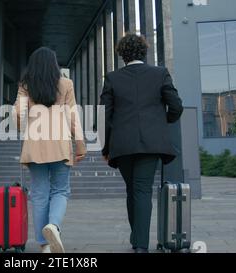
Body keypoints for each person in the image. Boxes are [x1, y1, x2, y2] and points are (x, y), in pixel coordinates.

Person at [100, 33, 183, 253]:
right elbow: (176, 107)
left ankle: (138, 240)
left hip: (123, 144)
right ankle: (140, 245)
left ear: (122, 54)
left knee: (133, 190)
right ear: (144, 52)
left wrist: (106, 147)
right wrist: (160, 123)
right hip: (151, 143)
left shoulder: (112, 78)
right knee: (142, 190)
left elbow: (103, 117)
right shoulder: (160, 74)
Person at [14, 47, 87, 253]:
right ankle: (53, 226)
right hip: (60, 144)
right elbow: (73, 117)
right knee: (61, 190)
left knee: (39, 193)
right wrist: (80, 144)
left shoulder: (26, 85)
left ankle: (44, 244)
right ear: (54, 65)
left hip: (35, 144)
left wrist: (24, 124)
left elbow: (18, 112)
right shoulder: (65, 84)